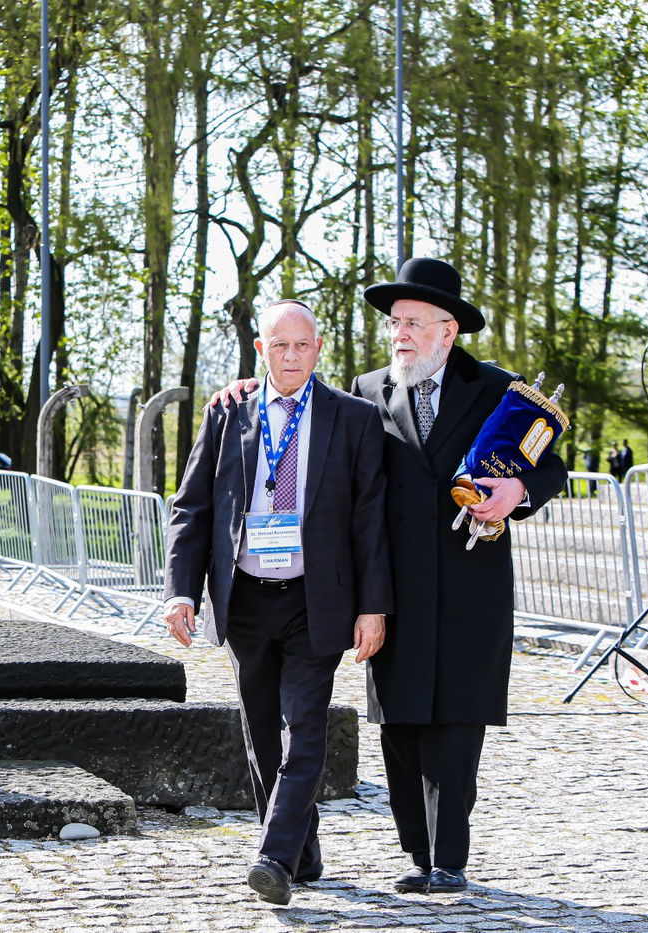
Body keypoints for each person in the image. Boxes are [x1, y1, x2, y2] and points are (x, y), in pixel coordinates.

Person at [213, 258, 567, 895]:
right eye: (395, 323)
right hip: (392, 586)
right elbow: (306, 417)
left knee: (456, 723)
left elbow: (550, 467)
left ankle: (449, 858)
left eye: (413, 323)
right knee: (400, 724)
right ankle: (415, 853)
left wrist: (518, 489)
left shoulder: (496, 390)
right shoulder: (368, 390)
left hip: (469, 584)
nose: (400, 334)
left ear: (447, 330)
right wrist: (247, 388)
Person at [164, 299, 393, 906]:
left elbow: (370, 522)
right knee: (261, 733)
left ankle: (272, 856)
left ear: (319, 350)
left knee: (305, 728)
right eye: (279, 346)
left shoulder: (354, 419)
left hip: (316, 599)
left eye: (303, 346)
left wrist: (373, 607)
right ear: (260, 350)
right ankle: (301, 851)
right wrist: (181, 591)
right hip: (243, 599)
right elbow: (192, 508)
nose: (291, 357)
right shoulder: (227, 413)